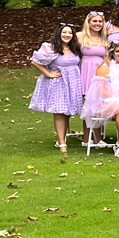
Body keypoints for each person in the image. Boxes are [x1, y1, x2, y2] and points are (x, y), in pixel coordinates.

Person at [28, 22, 84, 153]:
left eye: (70, 33)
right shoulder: (51, 48)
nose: (67, 35)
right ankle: (62, 144)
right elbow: (34, 61)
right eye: (64, 32)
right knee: (59, 112)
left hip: (73, 83)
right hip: (59, 83)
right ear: (59, 33)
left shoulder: (75, 48)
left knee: (67, 113)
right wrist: (48, 73)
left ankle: (61, 138)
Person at [79, 11, 110, 147]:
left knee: (98, 105)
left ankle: (98, 137)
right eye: (94, 21)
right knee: (88, 106)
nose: (97, 24)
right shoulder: (80, 37)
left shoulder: (105, 38)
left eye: (100, 22)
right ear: (89, 22)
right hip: (86, 72)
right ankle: (87, 138)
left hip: (100, 73)